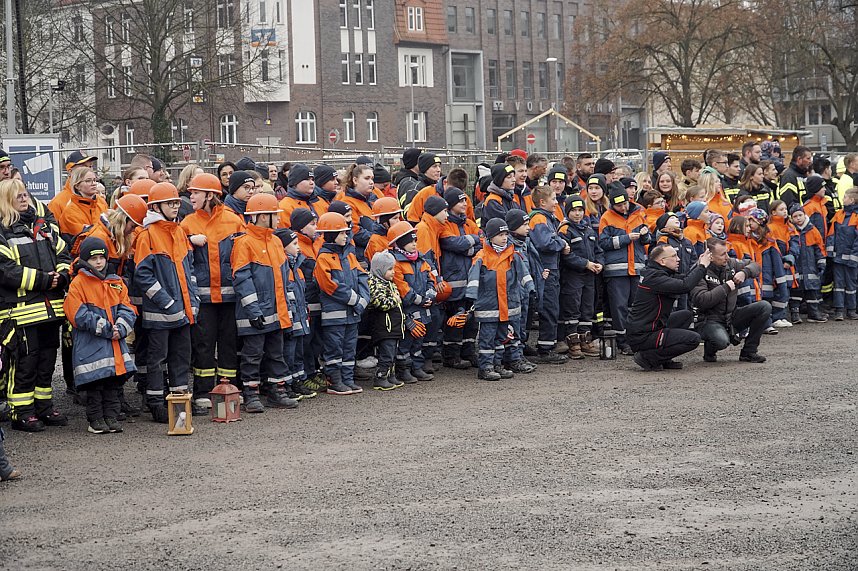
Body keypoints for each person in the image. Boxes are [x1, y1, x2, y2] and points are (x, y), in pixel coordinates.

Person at [0, 179, 71, 432]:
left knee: (46, 362)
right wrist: (45, 280)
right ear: (6, 199)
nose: (24, 198)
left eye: (25, 194)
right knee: (24, 364)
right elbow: (6, 271)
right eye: (17, 195)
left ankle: (43, 407)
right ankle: (21, 412)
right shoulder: (3, 231)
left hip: (50, 309)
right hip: (20, 313)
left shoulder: (43, 227)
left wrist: (62, 276)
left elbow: (64, 253)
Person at [132, 182, 199, 423]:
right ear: (156, 206)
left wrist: (193, 300)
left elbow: (189, 269)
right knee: (157, 360)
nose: (174, 206)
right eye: (170, 203)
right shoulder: (147, 235)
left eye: (176, 202)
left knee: (181, 358)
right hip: (161, 315)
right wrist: (168, 303)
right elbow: (143, 275)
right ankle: (156, 403)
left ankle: (180, 404)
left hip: (182, 312)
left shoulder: (179, 231)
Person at [180, 173, 246, 412]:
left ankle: (228, 387)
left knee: (229, 344)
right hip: (203, 299)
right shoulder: (187, 223)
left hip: (229, 298)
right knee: (203, 346)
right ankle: (202, 391)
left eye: (195, 192)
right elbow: (178, 251)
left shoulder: (233, 220)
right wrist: (188, 240)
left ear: (210, 195)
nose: (191, 196)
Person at [231, 194, 298, 412]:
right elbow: (242, 279)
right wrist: (253, 311)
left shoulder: (276, 241)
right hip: (257, 314)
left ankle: (276, 392)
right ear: (261, 217)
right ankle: (251, 394)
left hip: (276, 312)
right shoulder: (244, 243)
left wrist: (290, 307)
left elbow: (285, 278)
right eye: (274, 215)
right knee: (252, 355)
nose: (279, 219)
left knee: (276, 354)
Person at [63, 236, 137, 434]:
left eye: (101, 258)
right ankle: (96, 420)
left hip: (113, 343)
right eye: (94, 258)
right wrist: (106, 328)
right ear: (86, 260)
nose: (98, 262)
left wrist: (121, 327)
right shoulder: (78, 283)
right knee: (95, 385)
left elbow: (128, 307)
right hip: (91, 344)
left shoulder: (116, 282)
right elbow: (76, 313)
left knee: (112, 384)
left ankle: (111, 417)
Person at [466, 218, 534, 381]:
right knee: (487, 339)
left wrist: (530, 287)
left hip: (508, 305)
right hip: (489, 306)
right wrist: (471, 296)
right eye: (500, 235)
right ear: (490, 237)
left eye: (505, 234)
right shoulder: (481, 257)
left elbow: (524, 274)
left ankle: (497, 365)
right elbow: (473, 278)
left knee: (502, 337)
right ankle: (485, 368)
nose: (504, 238)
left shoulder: (513, 254)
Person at [626, 244, 712, 371]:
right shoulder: (654, 277)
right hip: (643, 335)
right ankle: (648, 357)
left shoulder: (658, 273)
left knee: (685, 316)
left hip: (650, 327)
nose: (678, 259)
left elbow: (685, 278)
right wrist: (702, 266)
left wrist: (698, 264)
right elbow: (685, 285)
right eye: (674, 256)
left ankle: (663, 357)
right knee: (694, 339)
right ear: (662, 261)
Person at [314, 212, 370, 395]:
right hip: (335, 315)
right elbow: (329, 285)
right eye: (342, 233)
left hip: (352, 313)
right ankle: (334, 381)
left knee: (349, 347)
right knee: (334, 348)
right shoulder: (323, 258)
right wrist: (356, 300)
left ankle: (347, 379)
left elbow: (362, 276)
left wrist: (364, 299)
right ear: (331, 235)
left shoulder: (349, 255)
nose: (346, 236)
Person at [691, 238, 770, 363]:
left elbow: (755, 265)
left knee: (764, 307)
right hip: (708, 320)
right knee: (721, 341)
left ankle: (749, 352)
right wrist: (726, 287)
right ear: (710, 256)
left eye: (727, 253)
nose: (727, 257)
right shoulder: (698, 271)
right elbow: (702, 300)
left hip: (731, 316)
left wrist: (745, 272)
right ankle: (710, 348)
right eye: (722, 254)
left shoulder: (730, 264)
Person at [599, 182, 652, 355]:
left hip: (636, 269)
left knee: (636, 306)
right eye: (619, 205)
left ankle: (636, 339)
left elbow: (647, 241)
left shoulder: (639, 213)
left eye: (625, 203)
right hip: (617, 271)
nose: (623, 207)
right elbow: (604, 243)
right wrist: (626, 238)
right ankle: (623, 342)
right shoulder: (607, 217)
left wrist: (645, 235)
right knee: (619, 307)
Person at [388, 220, 437, 383]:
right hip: (407, 310)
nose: (414, 244)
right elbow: (401, 287)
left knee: (419, 340)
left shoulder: (421, 260)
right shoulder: (395, 262)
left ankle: (416, 367)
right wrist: (421, 300)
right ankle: (404, 369)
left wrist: (430, 294)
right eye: (410, 241)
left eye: (415, 240)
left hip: (422, 309)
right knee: (405, 342)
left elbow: (431, 278)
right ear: (400, 243)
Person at [439, 188, 481, 369]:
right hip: (453, 281)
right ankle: (451, 355)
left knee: (471, 319)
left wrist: (466, 245)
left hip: (469, 280)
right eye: (460, 201)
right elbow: (451, 243)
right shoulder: (445, 224)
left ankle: (468, 351)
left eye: (465, 201)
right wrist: (470, 242)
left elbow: (482, 244)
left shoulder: (470, 223)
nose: (465, 204)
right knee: (456, 319)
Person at [558, 195, 603, 359]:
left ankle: (585, 339)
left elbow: (598, 250)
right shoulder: (565, 230)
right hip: (573, 276)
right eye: (573, 211)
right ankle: (573, 342)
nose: (577, 214)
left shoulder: (589, 229)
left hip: (590, 276)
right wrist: (586, 264)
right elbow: (566, 256)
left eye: (580, 210)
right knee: (573, 308)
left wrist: (599, 263)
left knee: (587, 308)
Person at [528, 186, 570, 363]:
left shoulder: (545, 218)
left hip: (550, 268)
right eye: (553, 199)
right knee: (549, 308)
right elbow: (545, 243)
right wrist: (561, 244)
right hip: (546, 269)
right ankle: (545, 349)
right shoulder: (539, 218)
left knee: (551, 307)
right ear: (542, 202)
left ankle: (546, 345)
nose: (556, 202)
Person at [366, 251, 406, 390]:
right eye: (389, 269)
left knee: (393, 353)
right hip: (385, 327)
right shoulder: (376, 283)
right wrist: (395, 299)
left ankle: (390, 375)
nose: (393, 272)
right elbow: (380, 302)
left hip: (394, 327)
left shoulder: (390, 283)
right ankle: (380, 376)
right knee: (386, 354)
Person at [789, 203, 828, 323]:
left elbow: (819, 248)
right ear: (792, 218)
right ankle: (795, 314)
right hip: (796, 266)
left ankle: (813, 313)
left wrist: (821, 263)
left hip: (811, 267)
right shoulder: (790, 230)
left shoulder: (812, 230)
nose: (798, 218)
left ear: (804, 214)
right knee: (796, 292)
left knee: (812, 290)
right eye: (795, 216)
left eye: (800, 215)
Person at [654, 212, 698, 310]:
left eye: (677, 218)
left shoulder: (687, 241)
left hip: (686, 281)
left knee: (686, 308)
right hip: (672, 281)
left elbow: (693, 260)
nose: (676, 219)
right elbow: (661, 260)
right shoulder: (664, 240)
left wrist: (691, 276)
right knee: (672, 309)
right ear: (664, 224)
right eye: (672, 218)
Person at [827, 187, 858, 321]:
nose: (843, 199)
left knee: (851, 284)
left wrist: (854, 256)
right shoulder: (839, 214)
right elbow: (831, 234)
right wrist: (830, 252)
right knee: (838, 284)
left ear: (852, 200)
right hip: (838, 257)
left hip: (852, 258)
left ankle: (851, 310)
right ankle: (839, 310)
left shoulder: (856, 217)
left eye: (845, 197)